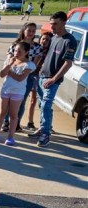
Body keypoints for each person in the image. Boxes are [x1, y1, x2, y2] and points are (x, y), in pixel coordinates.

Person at [28, 11, 77, 147]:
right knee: (42, 105)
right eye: (51, 24)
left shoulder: (70, 41)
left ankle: (45, 135)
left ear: (63, 22)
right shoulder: (54, 37)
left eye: (55, 24)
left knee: (46, 105)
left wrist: (54, 79)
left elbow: (68, 63)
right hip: (42, 76)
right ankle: (44, 127)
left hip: (52, 80)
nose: (52, 27)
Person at [2, 22, 42, 132]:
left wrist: (23, 72)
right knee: (8, 99)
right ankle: (6, 122)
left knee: (21, 100)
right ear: (23, 30)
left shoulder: (37, 47)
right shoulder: (15, 45)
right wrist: (12, 70)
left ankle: (16, 122)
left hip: (27, 76)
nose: (31, 33)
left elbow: (35, 64)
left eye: (33, 31)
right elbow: (9, 60)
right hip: (12, 74)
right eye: (29, 30)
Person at [0, 42, 35, 146]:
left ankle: (10, 137)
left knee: (13, 115)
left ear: (26, 52)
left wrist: (9, 72)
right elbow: (2, 74)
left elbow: (20, 78)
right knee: (2, 113)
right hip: (6, 90)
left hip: (17, 92)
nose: (17, 53)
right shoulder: (9, 61)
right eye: (15, 50)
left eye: (20, 51)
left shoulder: (29, 65)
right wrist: (9, 65)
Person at [26, 31, 53, 130]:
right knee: (33, 100)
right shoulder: (36, 49)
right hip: (33, 75)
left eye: (48, 40)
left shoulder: (50, 52)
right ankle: (30, 122)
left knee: (44, 101)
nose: (45, 41)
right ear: (40, 39)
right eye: (43, 39)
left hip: (43, 77)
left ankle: (46, 124)